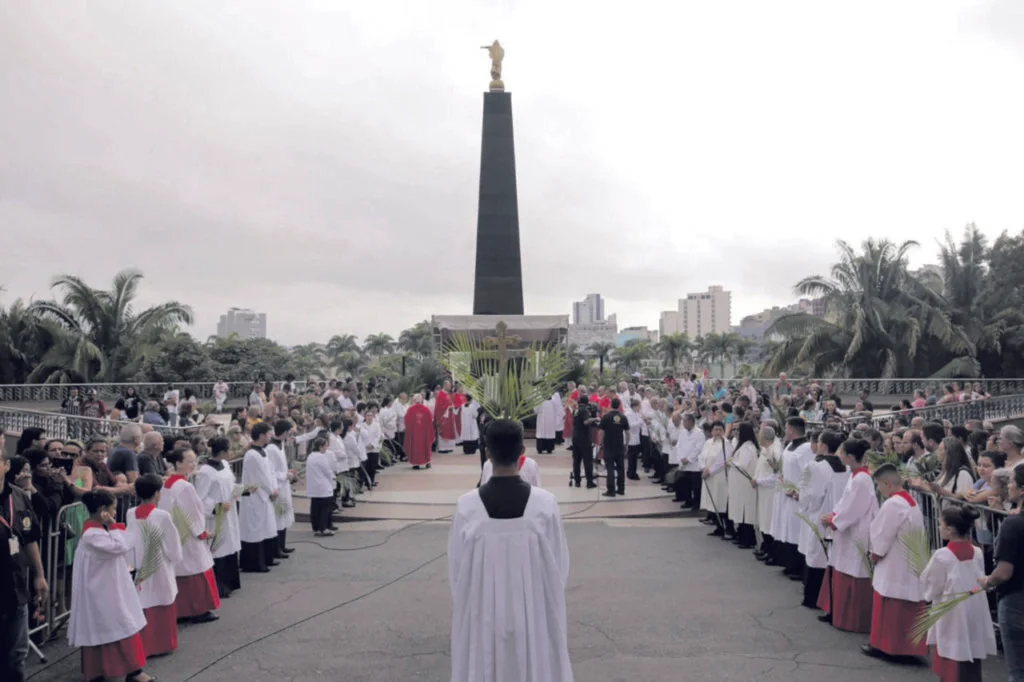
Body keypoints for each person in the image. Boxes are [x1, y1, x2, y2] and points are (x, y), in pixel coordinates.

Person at [448, 419, 573, 681]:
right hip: (535, 610)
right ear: (521, 452)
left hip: (482, 613)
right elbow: (558, 568)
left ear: (488, 453)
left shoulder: (467, 507)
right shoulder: (545, 504)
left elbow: (458, 573)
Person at [68, 489, 154, 682]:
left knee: (121, 626)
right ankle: (115, 672)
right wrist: (113, 525)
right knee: (116, 626)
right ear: (102, 510)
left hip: (109, 588)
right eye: (113, 509)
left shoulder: (97, 531)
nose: (115, 513)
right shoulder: (92, 535)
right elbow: (120, 546)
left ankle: (132, 671)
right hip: (102, 593)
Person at [861, 463, 927, 660]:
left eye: (879, 485)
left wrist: (876, 552)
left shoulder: (893, 504)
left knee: (891, 605)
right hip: (909, 560)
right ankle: (908, 649)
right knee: (906, 605)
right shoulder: (911, 502)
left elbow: (883, 533)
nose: (878, 490)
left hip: (895, 561)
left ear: (887, 483)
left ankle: (886, 646)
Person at [926, 506, 997, 681]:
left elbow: (932, 584)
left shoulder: (943, 556)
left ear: (949, 530)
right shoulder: (977, 553)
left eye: (940, 524)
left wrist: (929, 596)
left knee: (952, 653)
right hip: (973, 608)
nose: (939, 527)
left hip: (951, 611)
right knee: (970, 651)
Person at [819, 438, 878, 633]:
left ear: (851, 457)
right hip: (847, 528)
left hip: (856, 531)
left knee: (852, 570)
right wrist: (834, 515)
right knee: (840, 567)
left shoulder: (862, 479)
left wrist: (835, 520)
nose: (839, 454)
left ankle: (851, 619)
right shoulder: (855, 476)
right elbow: (845, 503)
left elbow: (855, 508)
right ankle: (835, 611)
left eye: (842, 452)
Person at [0, 448, 47, 682]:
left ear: (6, 465)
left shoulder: (18, 496)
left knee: (16, 657)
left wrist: (39, 574)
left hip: (16, 589)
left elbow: (29, 538)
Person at [160, 448, 221, 624]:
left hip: (175, 530)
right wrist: (201, 531)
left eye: (195, 461)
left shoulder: (168, 483)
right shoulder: (184, 486)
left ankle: (182, 610)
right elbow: (193, 512)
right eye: (190, 461)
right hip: (187, 532)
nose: (194, 464)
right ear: (178, 463)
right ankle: (198, 609)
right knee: (196, 569)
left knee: (182, 570)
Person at [126, 474, 184, 658]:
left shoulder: (130, 513)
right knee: (162, 600)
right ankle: (162, 644)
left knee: (144, 602)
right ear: (158, 493)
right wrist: (175, 558)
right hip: (159, 564)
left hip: (139, 563)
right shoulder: (162, 515)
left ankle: (144, 645)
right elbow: (172, 542)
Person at [981, 462, 1024, 681]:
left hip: (1016, 600)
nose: (1010, 487)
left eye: (1013, 482)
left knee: (1018, 670)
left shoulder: (1013, 524)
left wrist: (987, 581)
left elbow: (1004, 571)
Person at [798, 431, 846, 607]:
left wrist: (803, 503)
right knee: (830, 556)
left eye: (818, 442)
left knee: (815, 554)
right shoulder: (845, 467)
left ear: (824, 446)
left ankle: (812, 597)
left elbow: (813, 494)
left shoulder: (815, 466)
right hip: (838, 514)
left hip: (820, 513)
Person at [194, 437, 242, 599]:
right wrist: (216, 506)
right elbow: (200, 497)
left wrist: (240, 490)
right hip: (216, 516)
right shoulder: (206, 472)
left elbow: (230, 483)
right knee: (219, 548)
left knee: (229, 545)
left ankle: (230, 582)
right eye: (229, 449)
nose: (231, 452)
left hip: (230, 511)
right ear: (222, 451)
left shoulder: (226, 465)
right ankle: (218, 586)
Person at [772, 417, 815, 580]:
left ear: (791, 429)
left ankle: (798, 567)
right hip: (785, 493)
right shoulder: (790, 445)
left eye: (787, 428)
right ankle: (788, 563)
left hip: (797, 496)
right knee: (787, 529)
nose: (785, 431)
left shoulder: (806, 449)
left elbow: (808, 473)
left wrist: (799, 491)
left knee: (796, 531)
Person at [239, 422, 279, 573]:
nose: (270, 436)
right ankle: (254, 563)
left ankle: (266, 558)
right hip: (254, 495)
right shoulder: (252, 455)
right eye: (269, 433)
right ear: (261, 435)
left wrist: (273, 488)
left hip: (263, 494)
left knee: (264, 528)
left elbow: (270, 472)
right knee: (254, 530)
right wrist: (271, 490)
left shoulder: (263, 452)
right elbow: (261, 477)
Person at [726, 422, 760, 549]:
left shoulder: (748, 447)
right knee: (740, 511)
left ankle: (748, 539)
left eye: (738, 430)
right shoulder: (742, 445)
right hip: (739, 485)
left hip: (745, 485)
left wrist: (731, 462)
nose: (735, 432)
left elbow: (742, 465)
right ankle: (742, 536)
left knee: (745, 512)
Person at [267, 421, 296, 558]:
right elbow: (271, 470)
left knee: (283, 515)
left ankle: (282, 545)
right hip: (278, 485)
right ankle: (276, 549)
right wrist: (285, 475)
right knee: (278, 517)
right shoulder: (271, 448)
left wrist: (287, 472)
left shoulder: (281, 444)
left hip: (284, 484)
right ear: (284, 432)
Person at [700, 421, 733, 538]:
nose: (718, 432)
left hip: (720, 477)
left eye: (720, 430)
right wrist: (703, 468)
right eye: (716, 430)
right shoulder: (708, 442)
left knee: (722, 503)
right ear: (712, 431)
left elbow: (722, 462)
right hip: (709, 477)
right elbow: (702, 456)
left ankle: (729, 529)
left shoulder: (726, 443)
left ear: (723, 431)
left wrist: (710, 471)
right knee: (712, 503)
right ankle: (719, 527)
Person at [598, 398, 630, 498]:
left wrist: (600, 443)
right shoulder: (623, 417)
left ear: (611, 405)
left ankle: (611, 490)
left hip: (609, 445)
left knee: (610, 468)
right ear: (619, 405)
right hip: (619, 445)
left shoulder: (606, 417)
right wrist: (626, 444)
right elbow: (627, 433)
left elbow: (601, 432)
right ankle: (621, 489)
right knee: (621, 468)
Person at [305, 437, 337, 537]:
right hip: (323, 486)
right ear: (320, 447)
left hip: (314, 486)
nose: (326, 448)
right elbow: (327, 471)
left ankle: (316, 528)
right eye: (325, 446)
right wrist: (333, 477)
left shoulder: (310, 456)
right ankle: (323, 528)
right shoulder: (321, 457)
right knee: (325, 508)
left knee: (315, 508)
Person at [570, 396, 599, 488]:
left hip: (575, 437)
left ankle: (577, 481)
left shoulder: (576, 410)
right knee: (587, 461)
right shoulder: (585, 410)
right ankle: (589, 482)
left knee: (576, 460)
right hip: (584, 438)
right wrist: (595, 419)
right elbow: (586, 422)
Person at [404, 395, 435, 469]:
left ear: (414, 400)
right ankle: (427, 462)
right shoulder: (426, 409)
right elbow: (431, 420)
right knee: (426, 446)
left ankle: (416, 464)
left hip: (414, 434)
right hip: (424, 433)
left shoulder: (410, 409)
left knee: (415, 447)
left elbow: (406, 421)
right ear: (421, 400)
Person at [435, 381, 458, 453]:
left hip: (449, 416)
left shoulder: (448, 394)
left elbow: (450, 402)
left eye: (450, 386)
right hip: (444, 416)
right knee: (444, 430)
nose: (450, 387)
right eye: (449, 385)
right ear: (445, 385)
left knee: (449, 430)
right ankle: (443, 448)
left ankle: (448, 447)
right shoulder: (440, 394)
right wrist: (448, 408)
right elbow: (439, 407)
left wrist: (452, 406)